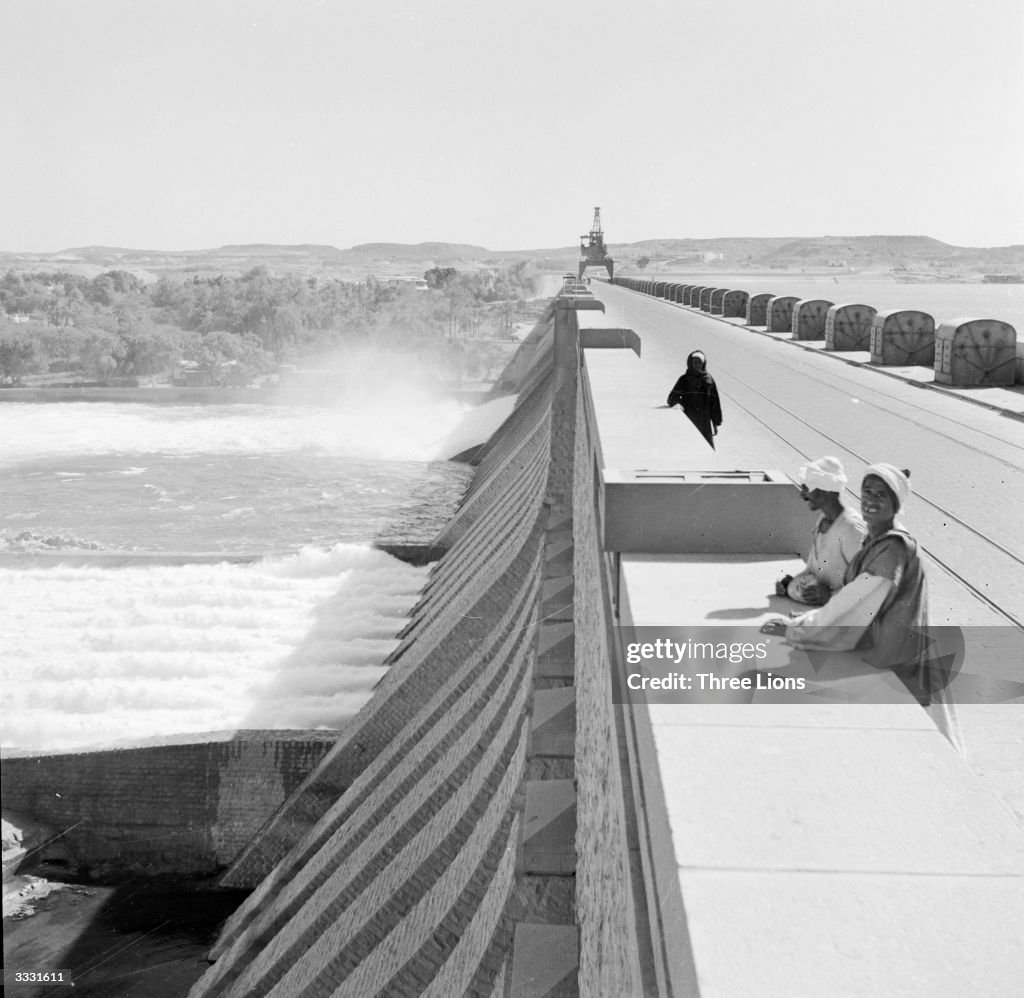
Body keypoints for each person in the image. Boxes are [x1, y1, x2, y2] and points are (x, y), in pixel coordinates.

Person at [762, 464, 961, 748]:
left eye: (881, 494)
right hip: (901, 648)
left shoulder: (892, 547)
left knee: (932, 741)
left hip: (901, 657)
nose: (870, 499)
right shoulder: (878, 538)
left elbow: (853, 601)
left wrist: (797, 629)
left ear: (896, 504)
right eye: (867, 492)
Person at [776, 456, 866, 605]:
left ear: (824, 490)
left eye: (806, 488)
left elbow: (867, 584)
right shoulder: (822, 521)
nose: (802, 494)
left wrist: (831, 596)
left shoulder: (852, 528)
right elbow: (813, 570)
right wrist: (790, 584)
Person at [667, 350, 722, 449]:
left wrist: (715, 422)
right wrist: (678, 403)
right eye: (694, 362)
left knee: (707, 448)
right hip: (689, 419)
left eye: (699, 362)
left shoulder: (708, 380)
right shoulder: (684, 379)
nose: (697, 365)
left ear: (703, 363)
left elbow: (714, 402)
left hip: (704, 422)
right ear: (690, 363)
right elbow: (672, 397)